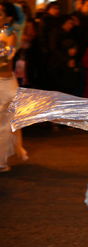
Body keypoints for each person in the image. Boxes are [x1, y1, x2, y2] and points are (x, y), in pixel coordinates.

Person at [0, 1, 28, 172]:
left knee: (3, 124)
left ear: (8, 18)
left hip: (3, 86)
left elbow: (5, 61)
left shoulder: (10, 36)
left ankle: (1, 161)